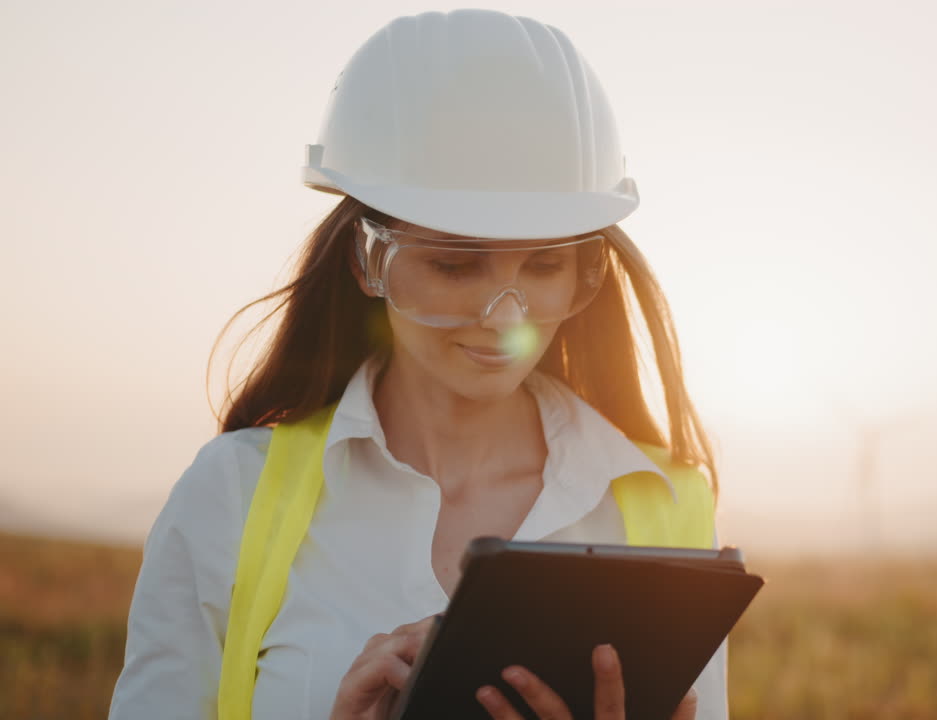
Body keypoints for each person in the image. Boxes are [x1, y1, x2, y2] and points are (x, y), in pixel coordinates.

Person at [108, 8, 727, 720]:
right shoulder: (228, 499)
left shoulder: (669, 509)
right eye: (453, 266)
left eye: (547, 265)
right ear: (366, 260)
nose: (505, 317)